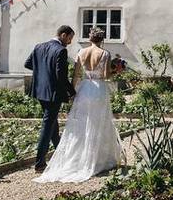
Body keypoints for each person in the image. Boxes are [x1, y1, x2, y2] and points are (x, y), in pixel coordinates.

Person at [34, 26, 124, 183]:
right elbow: (106, 75)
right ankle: (97, 159)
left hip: (84, 89)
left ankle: (78, 158)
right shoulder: (105, 53)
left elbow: (75, 75)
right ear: (102, 39)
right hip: (98, 89)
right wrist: (117, 70)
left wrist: (74, 93)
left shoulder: (81, 53)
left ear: (90, 38)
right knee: (99, 123)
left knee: (80, 125)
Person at [25, 25, 77, 173]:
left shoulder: (38, 47)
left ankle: (61, 154)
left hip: (39, 91)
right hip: (53, 93)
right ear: (63, 35)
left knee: (52, 123)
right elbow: (61, 76)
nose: (70, 42)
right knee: (48, 125)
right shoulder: (61, 50)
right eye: (70, 38)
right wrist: (72, 92)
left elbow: (28, 64)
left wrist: (43, 72)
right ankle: (40, 163)